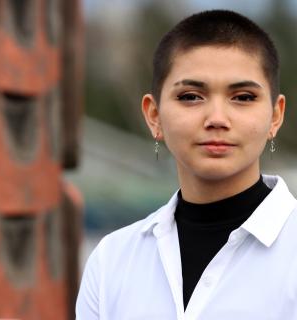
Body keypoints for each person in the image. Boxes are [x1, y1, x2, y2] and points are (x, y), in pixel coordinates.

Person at [76, 9, 297, 319]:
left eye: (243, 97)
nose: (217, 119)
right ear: (154, 115)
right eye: (191, 96)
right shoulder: (112, 261)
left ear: (275, 115)